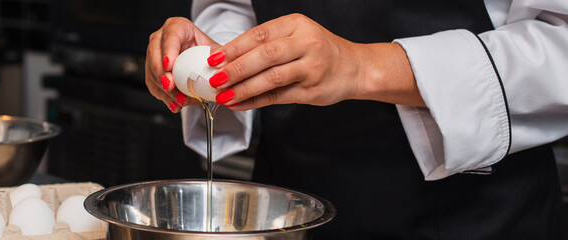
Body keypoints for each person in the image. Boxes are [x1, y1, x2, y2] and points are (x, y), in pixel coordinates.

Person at [145, 0, 568, 239]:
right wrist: (225, 55)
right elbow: (232, 5)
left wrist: (361, 66)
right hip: (289, 208)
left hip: (473, 214)